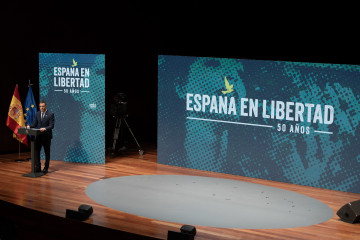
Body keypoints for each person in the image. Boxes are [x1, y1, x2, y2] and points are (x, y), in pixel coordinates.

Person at [29, 101, 55, 174]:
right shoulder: (37, 113)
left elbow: (51, 126)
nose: (41, 108)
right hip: (39, 136)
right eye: (40, 106)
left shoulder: (50, 114)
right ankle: (38, 167)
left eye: (43, 106)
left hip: (47, 137)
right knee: (37, 151)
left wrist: (45, 128)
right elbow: (34, 124)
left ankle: (46, 168)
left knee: (47, 153)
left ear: (46, 106)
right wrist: (29, 126)